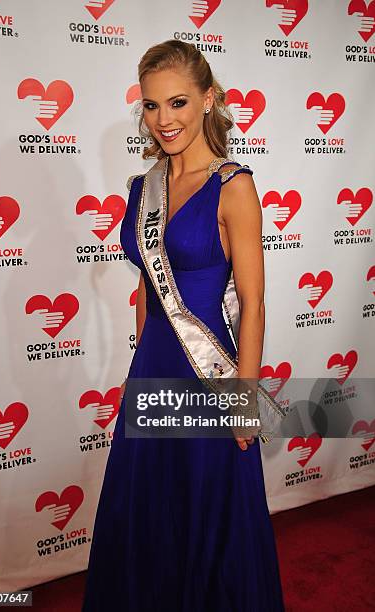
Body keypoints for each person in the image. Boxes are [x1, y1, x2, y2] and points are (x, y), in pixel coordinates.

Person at [82, 39, 285, 611]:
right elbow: (148, 285)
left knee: (208, 509)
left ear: (208, 99)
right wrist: (138, 358)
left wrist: (244, 397)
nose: (163, 120)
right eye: (151, 106)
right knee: (149, 507)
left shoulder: (233, 185)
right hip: (153, 368)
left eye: (176, 103)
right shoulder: (141, 190)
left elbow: (253, 300)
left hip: (207, 377)